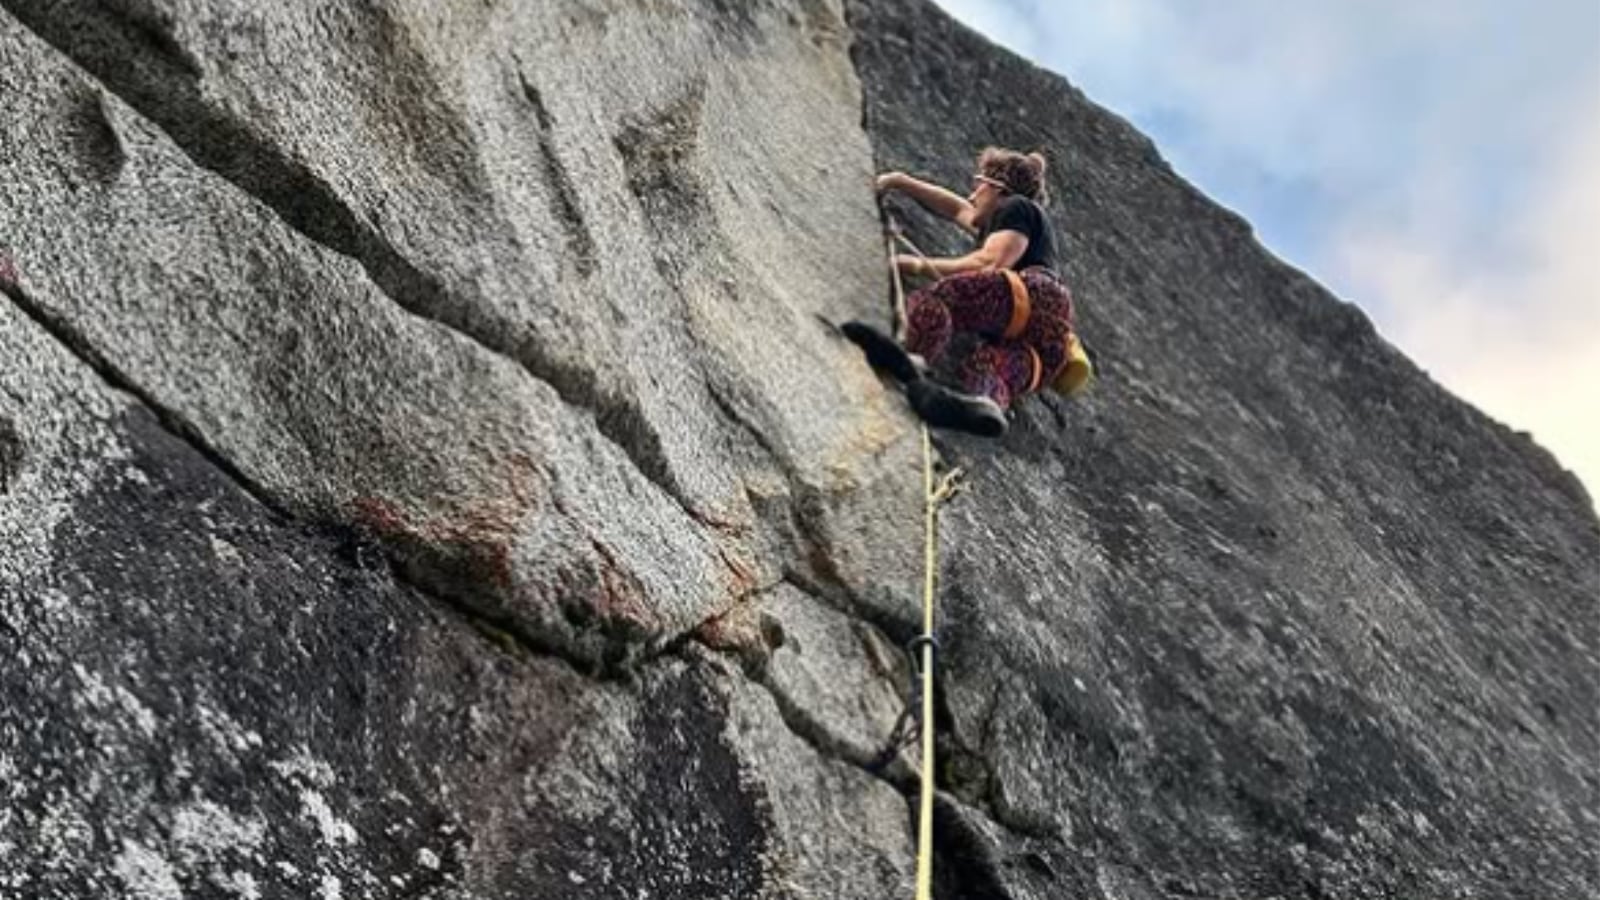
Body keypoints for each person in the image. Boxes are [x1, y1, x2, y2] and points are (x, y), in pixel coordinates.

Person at [851, 147, 1090, 437]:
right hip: (1047, 349)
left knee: (941, 298)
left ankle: (913, 358)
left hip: (1033, 296)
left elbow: (989, 262)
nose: (972, 195)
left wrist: (913, 264)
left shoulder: (1015, 207)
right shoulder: (1010, 217)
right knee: (987, 368)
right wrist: (901, 181)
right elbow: (957, 209)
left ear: (996, 187)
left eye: (977, 185)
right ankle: (987, 405)